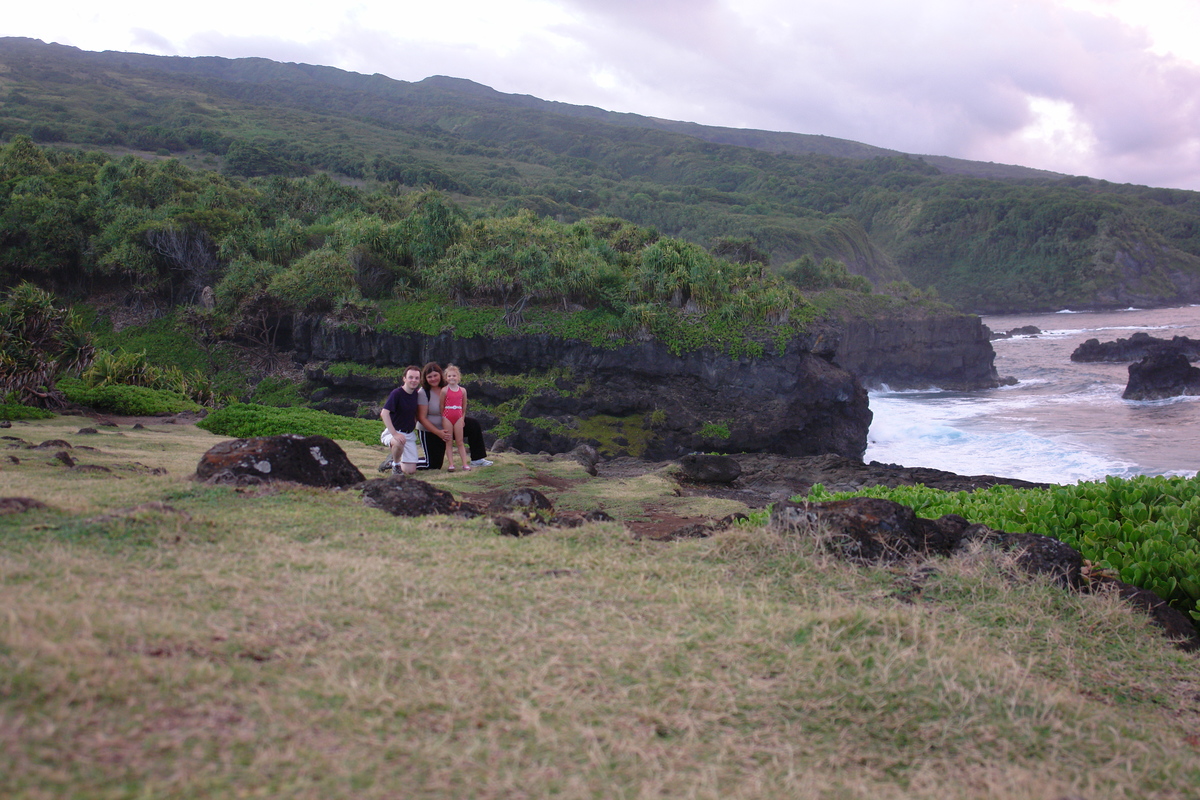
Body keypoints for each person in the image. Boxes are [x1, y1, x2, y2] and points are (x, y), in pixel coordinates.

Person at [414, 361, 493, 471]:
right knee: (433, 465)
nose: (433, 379)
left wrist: (461, 419)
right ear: (425, 378)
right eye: (429, 377)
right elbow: (421, 418)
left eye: (435, 375)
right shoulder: (423, 392)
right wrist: (439, 433)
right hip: (430, 431)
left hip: (449, 425)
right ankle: (402, 462)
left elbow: (461, 403)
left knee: (473, 424)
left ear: (441, 375)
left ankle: (477, 459)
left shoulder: (447, 387)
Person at [379, 365, 422, 475]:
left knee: (410, 471)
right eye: (410, 377)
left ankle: (391, 461)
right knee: (398, 442)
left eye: (416, 378)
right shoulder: (397, 393)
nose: (413, 380)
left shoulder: (416, 394)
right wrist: (395, 434)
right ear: (404, 378)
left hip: (409, 434)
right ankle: (396, 465)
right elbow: (384, 413)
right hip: (394, 432)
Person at [441, 364, 471, 472]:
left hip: (458, 416)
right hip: (447, 416)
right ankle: (451, 464)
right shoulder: (444, 390)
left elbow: (464, 406)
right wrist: (443, 417)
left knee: (460, 441)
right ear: (446, 378)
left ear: (458, 377)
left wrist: (462, 418)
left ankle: (465, 464)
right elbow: (441, 406)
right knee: (448, 441)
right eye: (449, 376)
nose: (451, 378)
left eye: (454, 376)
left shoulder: (462, 391)